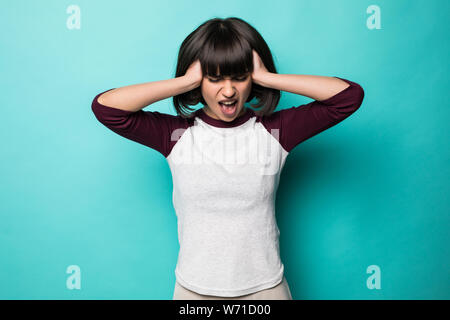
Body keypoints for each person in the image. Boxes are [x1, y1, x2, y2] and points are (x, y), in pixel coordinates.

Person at [91, 17, 365, 300]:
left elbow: (348, 97)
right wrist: (185, 82)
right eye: (215, 78)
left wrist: (267, 77)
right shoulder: (175, 135)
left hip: (265, 290)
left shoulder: (275, 132)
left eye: (239, 76)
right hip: (193, 291)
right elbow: (106, 109)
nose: (229, 90)